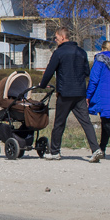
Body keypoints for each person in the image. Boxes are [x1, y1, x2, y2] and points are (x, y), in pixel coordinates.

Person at [40, 27, 102, 162]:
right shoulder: (81, 52)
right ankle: (95, 149)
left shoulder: (59, 53)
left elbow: (49, 71)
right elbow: (87, 72)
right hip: (80, 92)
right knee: (86, 122)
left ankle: (55, 151)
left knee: (59, 123)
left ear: (63, 37)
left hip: (65, 93)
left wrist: (42, 85)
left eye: (56, 38)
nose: (55, 40)